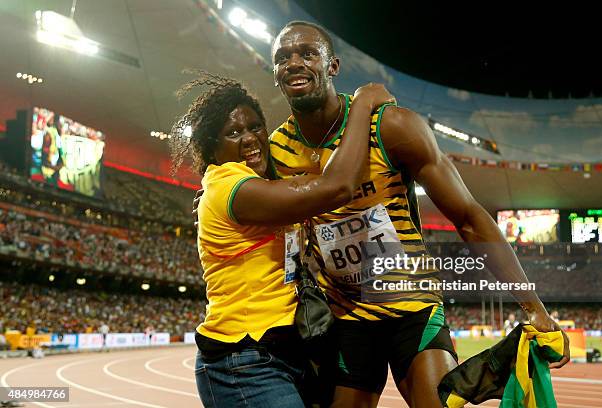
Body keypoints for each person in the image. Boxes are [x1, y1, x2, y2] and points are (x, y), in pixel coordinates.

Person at [266, 20, 570, 408]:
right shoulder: (275, 153)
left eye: (308, 54)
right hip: (345, 315)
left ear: (333, 66)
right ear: (275, 73)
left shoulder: (390, 126)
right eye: (282, 58)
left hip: (412, 304)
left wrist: (534, 307)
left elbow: (469, 217)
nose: (293, 63)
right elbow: (243, 197)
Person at [172, 72, 394, 408]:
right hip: (243, 359)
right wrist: (361, 106)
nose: (249, 138)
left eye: (255, 127)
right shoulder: (229, 185)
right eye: (233, 132)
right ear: (210, 148)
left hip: (286, 351)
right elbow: (337, 187)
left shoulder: (255, 183)